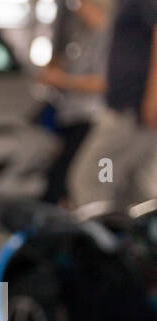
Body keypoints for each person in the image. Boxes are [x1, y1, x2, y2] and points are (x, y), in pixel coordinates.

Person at [69, 0, 157, 210]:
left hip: (130, 112)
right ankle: (137, 237)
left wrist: (154, 97)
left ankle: (104, 236)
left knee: (94, 178)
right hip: (131, 110)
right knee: (134, 187)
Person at [40, 0, 111, 205]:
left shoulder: (109, 37)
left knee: (75, 179)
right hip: (69, 114)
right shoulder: (76, 33)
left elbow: (104, 83)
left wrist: (62, 80)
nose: (78, 7)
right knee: (59, 179)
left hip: (91, 118)